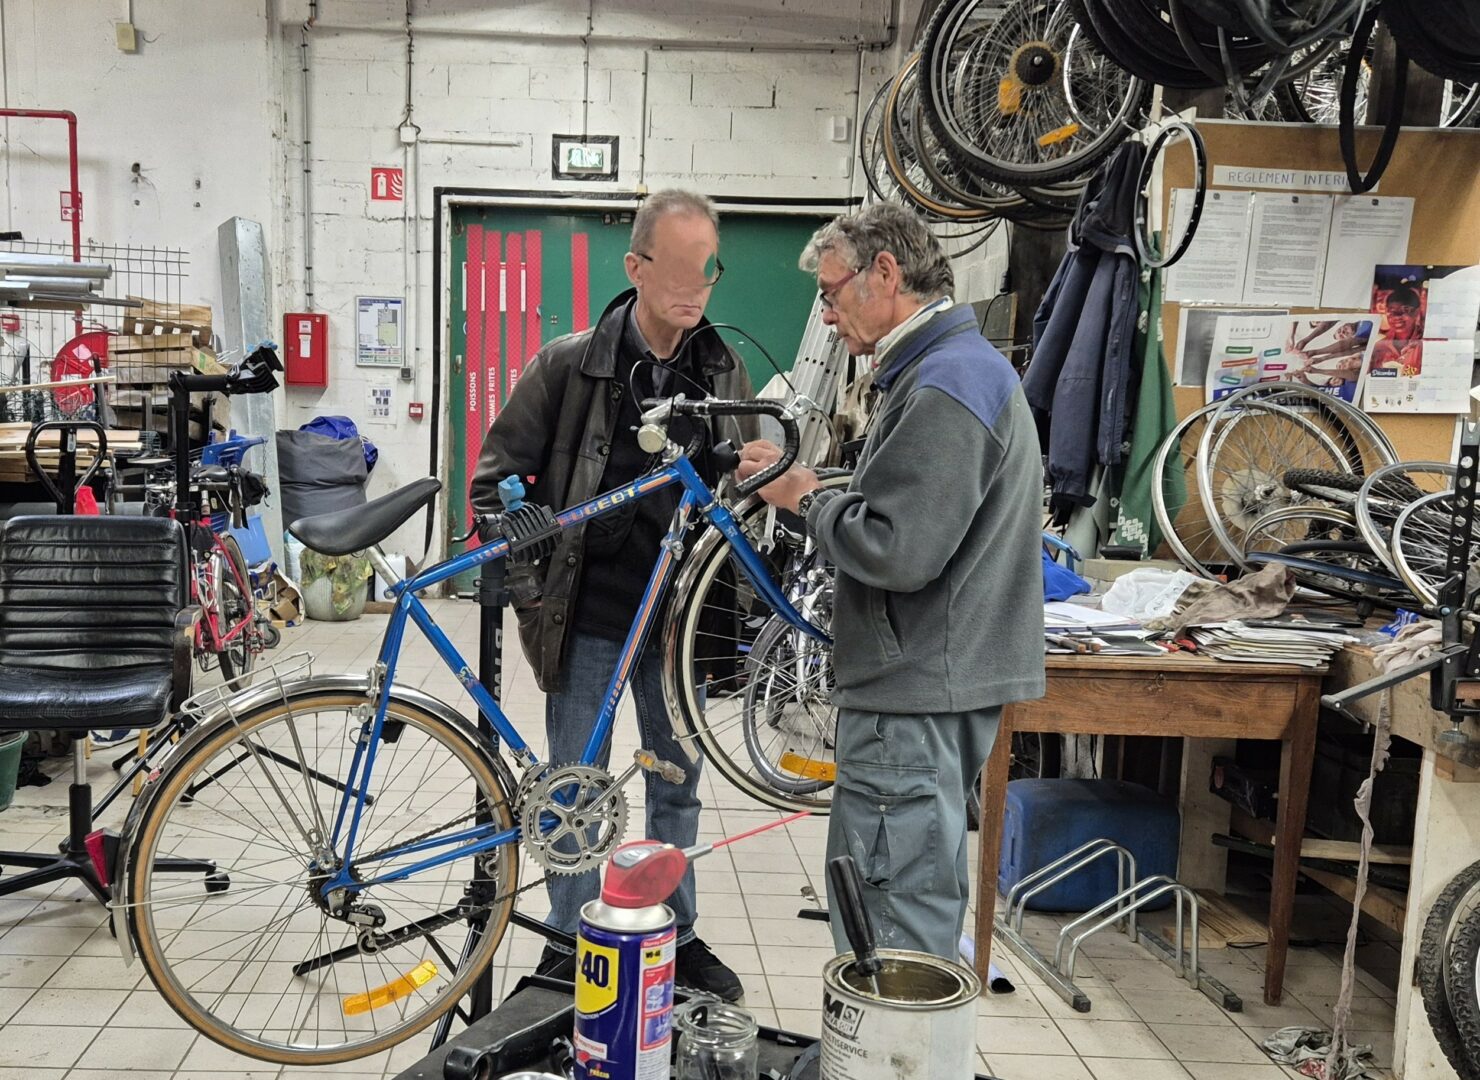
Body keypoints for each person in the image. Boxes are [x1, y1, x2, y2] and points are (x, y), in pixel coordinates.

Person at [737, 203, 1046, 960]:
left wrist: (805, 496)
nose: (828, 313)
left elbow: (898, 550)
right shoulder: (942, 371)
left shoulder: (946, 383)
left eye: (832, 292)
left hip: (913, 689)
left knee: (891, 921)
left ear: (886, 273)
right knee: (901, 897)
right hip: (930, 680)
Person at [471, 189, 753, 1001]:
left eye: (709, 267)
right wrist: (530, 583)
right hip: (588, 609)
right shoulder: (570, 362)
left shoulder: (720, 363)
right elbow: (493, 483)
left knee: (676, 782)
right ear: (635, 267)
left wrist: (755, 473)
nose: (696, 286)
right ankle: (566, 946)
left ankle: (678, 932)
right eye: (678, 266)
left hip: (676, 620)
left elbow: (731, 483)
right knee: (575, 785)